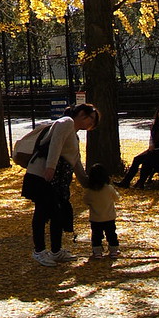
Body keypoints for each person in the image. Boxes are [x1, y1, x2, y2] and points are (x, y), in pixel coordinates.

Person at [21, 103, 99, 267]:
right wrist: (50, 167)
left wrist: (86, 182)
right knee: (43, 212)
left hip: (57, 180)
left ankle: (56, 251)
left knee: (57, 214)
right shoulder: (66, 122)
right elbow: (55, 145)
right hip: (42, 175)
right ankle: (39, 251)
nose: (91, 124)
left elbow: (75, 161)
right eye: (90, 119)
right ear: (82, 114)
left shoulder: (74, 135)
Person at [121, 104, 159, 186]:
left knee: (146, 161)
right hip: (155, 149)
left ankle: (141, 182)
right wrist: (151, 144)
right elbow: (152, 136)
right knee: (137, 159)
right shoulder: (156, 125)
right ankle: (126, 182)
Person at [84, 163, 120, 260]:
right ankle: (113, 250)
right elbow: (117, 198)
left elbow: (86, 201)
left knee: (96, 235)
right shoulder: (109, 188)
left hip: (95, 218)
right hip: (109, 217)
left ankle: (97, 252)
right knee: (111, 234)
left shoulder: (90, 191)